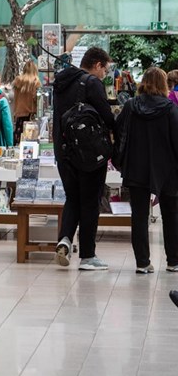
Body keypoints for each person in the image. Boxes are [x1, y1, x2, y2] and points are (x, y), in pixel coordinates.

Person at [52, 46, 115, 271]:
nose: (104, 75)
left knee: (72, 198)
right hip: (88, 155)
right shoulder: (91, 83)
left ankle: (65, 238)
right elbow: (107, 117)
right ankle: (88, 255)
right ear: (97, 65)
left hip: (63, 151)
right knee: (90, 202)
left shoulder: (60, 84)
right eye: (105, 70)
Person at [114, 67, 178, 274]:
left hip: (136, 167)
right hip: (167, 169)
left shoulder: (131, 106)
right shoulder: (170, 109)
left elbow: (118, 131)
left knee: (139, 216)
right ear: (163, 84)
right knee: (171, 215)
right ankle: (173, 261)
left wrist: (119, 160)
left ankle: (142, 262)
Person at [12, 60, 41, 144]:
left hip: (19, 115)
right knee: (31, 142)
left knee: (19, 140)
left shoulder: (18, 82)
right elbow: (37, 100)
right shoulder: (35, 82)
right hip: (31, 116)